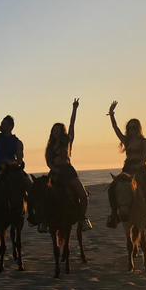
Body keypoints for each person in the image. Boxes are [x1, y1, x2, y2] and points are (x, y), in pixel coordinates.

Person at [44, 98, 92, 232]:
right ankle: (44, 220)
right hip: (55, 172)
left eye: (58, 130)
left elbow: (72, 124)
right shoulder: (50, 146)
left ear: (62, 131)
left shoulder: (67, 142)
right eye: (54, 130)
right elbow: (48, 161)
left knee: (83, 194)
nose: (56, 132)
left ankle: (82, 218)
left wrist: (74, 109)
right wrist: (54, 169)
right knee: (45, 195)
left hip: (68, 171)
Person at [105, 102, 146, 228]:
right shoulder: (126, 141)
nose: (132, 130)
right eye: (130, 128)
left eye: (134, 127)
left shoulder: (145, 141)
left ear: (138, 129)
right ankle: (114, 214)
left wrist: (137, 167)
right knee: (112, 189)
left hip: (140, 168)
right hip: (127, 168)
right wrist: (111, 114)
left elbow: (144, 158)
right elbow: (115, 128)